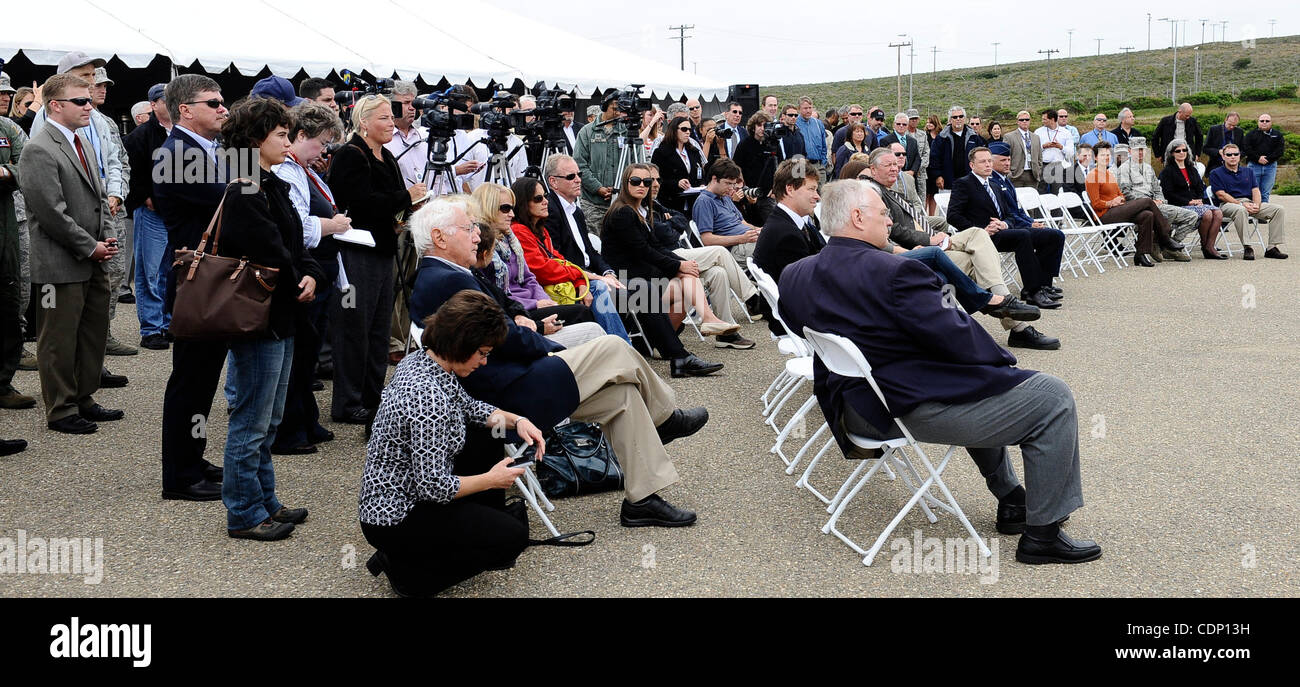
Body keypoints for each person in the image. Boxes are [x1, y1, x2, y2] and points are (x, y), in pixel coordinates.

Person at [776, 180, 1101, 565]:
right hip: (902, 409)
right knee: (1050, 396)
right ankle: (1043, 535)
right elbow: (960, 338)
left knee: (979, 382)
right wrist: (1003, 359)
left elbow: (802, 329)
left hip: (851, 407)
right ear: (858, 217)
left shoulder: (795, 274)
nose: (888, 222)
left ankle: (1013, 499)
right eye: (883, 214)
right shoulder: (897, 272)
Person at [408, 199, 707, 525]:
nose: (477, 236)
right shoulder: (444, 280)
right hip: (504, 394)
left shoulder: (451, 273)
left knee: (623, 397)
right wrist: (546, 344)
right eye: (468, 229)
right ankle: (664, 418)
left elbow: (508, 311)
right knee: (612, 348)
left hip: (515, 378)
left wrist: (524, 322)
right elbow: (503, 337)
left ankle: (642, 499)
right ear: (439, 237)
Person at [360, 290, 539, 597]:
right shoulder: (429, 401)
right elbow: (435, 487)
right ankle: (409, 574)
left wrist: (517, 420)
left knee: (489, 430)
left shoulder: (422, 360)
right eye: (482, 353)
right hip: (397, 516)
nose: (484, 362)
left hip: (400, 496)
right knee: (512, 538)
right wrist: (491, 480)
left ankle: (438, 544)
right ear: (461, 343)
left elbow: (470, 407)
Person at [213, 98, 322, 540]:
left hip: (282, 313)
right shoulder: (245, 190)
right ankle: (243, 511)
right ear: (256, 139)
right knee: (252, 420)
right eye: (280, 134)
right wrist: (302, 278)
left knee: (269, 418)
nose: (287, 140)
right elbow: (268, 250)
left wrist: (310, 273)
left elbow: (293, 241)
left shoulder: (269, 183)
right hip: (261, 317)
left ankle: (265, 500)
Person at [17, 72, 121, 435]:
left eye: (90, 99)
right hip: (61, 263)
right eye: (81, 100)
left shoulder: (83, 142)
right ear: (55, 105)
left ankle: (83, 396)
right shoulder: (38, 149)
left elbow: (98, 198)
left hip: (92, 257)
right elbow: (50, 213)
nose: (89, 106)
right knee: (59, 339)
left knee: (92, 332)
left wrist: (106, 239)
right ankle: (61, 409)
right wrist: (90, 246)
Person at [860, 149, 1049, 342]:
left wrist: (935, 231)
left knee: (978, 240)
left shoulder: (890, 190)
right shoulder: (873, 193)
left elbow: (912, 221)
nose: (895, 168)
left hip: (929, 240)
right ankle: (1013, 319)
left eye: (896, 164)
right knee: (978, 246)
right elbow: (892, 230)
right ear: (873, 170)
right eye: (888, 165)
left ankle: (1006, 312)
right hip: (916, 250)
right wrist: (927, 241)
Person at [153, 74, 229, 500]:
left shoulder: (205, 148)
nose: (223, 108)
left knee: (202, 380)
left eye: (222, 101)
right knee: (190, 380)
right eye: (213, 103)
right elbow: (234, 197)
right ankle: (180, 475)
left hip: (209, 278)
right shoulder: (178, 154)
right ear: (186, 110)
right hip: (194, 280)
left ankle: (193, 456)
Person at [327, 94, 425, 426]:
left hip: (383, 248)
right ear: (364, 122)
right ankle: (348, 401)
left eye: (390, 117)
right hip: (357, 251)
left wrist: (406, 210)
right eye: (383, 117)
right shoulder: (349, 155)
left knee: (379, 329)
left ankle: (372, 394)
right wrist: (404, 198)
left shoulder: (388, 157)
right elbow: (358, 202)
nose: (389, 123)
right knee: (355, 327)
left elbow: (390, 201)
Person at [270, 102, 351, 454]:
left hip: (318, 266)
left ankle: (306, 419)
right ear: (301, 136)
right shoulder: (287, 172)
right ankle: (291, 427)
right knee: (300, 353)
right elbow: (295, 224)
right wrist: (331, 225)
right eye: (320, 142)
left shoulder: (303, 169)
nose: (324, 151)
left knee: (308, 351)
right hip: (304, 269)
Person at [601, 163, 743, 342]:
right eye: (636, 181)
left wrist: (681, 263)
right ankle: (749, 301)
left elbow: (669, 232)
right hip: (629, 280)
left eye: (648, 181)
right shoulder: (622, 213)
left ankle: (671, 340)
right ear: (625, 183)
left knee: (711, 273)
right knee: (704, 265)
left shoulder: (643, 209)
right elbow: (645, 251)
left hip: (648, 271)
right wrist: (679, 265)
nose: (645, 185)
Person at [644, 166, 759, 349]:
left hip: (677, 252)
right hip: (667, 258)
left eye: (658, 180)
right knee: (719, 252)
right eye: (650, 181)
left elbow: (680, 219)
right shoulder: (638, 209)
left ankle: (726, 334)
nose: (656, 185)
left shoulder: (655, 205)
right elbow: (666, 235)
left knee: (718, 273)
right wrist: (670, 225)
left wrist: (670, 222)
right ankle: (753, 299)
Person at [948, 146, 1068, 309]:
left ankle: (1043, 285)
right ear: (972, 165)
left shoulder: (995, 185)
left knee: (1054, 235)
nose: (988, 165)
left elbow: (1010, 214)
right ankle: (1033, 291)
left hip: (1003, 230)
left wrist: (1004, 224)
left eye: (989, 161)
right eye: (983, 162)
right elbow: (953, 216)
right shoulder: (963, 184)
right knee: (1022, 236)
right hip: (982, 237)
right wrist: (979, 230)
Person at [510, 176, 628, 339]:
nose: (545, 201)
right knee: (599, 287)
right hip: (542, 293)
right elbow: (543, 270)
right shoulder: (519, 231)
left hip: (562, 284)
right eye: (538, 199)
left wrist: (581, 282)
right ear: (524, 203)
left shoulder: (540, 230)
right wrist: (584, 275)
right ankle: (620, 345)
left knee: (600, 287)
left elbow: (561, 260)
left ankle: (619, 345)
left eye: (545, 196)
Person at [539, 154, 631, 342]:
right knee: (604, 288)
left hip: (589, 273)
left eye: (579, 174)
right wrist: (584, 281)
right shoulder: (549, 212)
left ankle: (652, 345)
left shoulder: (576, 212)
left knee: (639, 287)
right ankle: (623, 346)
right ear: (553, 182)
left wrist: (607, 271)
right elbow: (556, 258)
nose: (579, 180)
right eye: (571, 176)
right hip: (572, 279)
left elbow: (590, 252)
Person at [124, 83, 172, 351]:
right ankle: (151, 328)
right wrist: (145, 197)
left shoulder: (182, 132)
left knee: (169, 271)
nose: (173, 103)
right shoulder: (140, 135)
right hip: (152, 213)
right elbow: (131, 170)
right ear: (153, 104)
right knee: (148, 272)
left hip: (175, 213)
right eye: (166, 99)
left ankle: (166, 322)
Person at [1086, 142, 1183, 267]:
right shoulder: (1092, 176)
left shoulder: (1109, 174)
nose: (1106, 157)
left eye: (1108, 155)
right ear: (1095, 158)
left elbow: (1120, 193)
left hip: (1117, 209)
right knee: (1147, 201)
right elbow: (1095, 204)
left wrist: (1119, 199)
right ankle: (1165, 236)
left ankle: (1140, 255)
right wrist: (1110, 202)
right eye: (1102, 155)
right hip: (1104, 215)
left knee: (1147, 215)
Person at [0, 96, 33, 412]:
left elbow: (26, 164)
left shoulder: (7, 128)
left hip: (7, 227)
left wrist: (5, 172)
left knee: (10, 308)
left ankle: (3, 384)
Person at [1114, 136, 1197, 253]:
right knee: (1170, 214)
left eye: (1143, 149)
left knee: (1192, 216)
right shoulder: (1124, 169)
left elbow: (1158, 189)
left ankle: (1167, 245)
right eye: (1137, 150)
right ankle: (1161, 242)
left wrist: (1160, 200)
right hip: (1138, 207)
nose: (1141, 152)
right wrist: (1150, 202)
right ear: (1129, 151)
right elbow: (1125, 193)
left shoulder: (1148, 168)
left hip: (1157, 205)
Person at [1208, 143, 1288, 260]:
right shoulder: (1215, 173)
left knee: (1278, 209)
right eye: (1229, 154)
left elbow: (1255, 190)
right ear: (1223, 156)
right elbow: (1221, 195)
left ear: (1240, 156)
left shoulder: (1248, 171)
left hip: (1249, 203)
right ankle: (1247, 247)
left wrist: (1256, 205)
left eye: (1236, 154)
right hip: (1228, 205)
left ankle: (1272, 248)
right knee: (1240, 210)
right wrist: (1240, 204)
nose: (1232, 157)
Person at [1157, 138, 1226, 260]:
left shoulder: (1192, 169)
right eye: (1178, 151)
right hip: (1179, 205)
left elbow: (1200, 188)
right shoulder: (1167, 171)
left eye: (1184, 150)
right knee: (1208, 213)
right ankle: (1205, 247)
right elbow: (1168, 193)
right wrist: (1188, 201)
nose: (1182, 153)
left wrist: (1199, 199)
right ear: (1172, 153)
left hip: (1196, 203)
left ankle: (1209, 247)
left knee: (1218, 213)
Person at [573, 92, 624, 230]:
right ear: (604, 107)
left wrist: (621, 188)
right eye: (615, 109)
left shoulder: (626, 132)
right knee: (595, 243)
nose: (619, 113)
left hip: (622, 203)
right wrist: (597, 188)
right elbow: (579, 164)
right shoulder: (587, 132)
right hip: (593, 204)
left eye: (621, 109)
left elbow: (635, 165)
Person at [651, 115, 705, 213]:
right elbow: (658, 179)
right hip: (671, 202)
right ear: (674, 130)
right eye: (684, 129)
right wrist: (677, 183)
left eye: (689, 129)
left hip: (694, 202)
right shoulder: (661, 152)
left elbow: (700, 173)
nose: (688, 132)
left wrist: (702, 184)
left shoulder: (694, 151)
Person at [928, 105, 979, 193]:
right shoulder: (941, 137)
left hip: (970, 182)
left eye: (961, 116)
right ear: (950, 120)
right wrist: (938, 176)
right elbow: (934, 158)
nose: (958, 119)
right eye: (955, 117)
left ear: (965, 119)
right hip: (947, 183)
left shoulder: (974, 137)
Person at [732, 112, 777, 198]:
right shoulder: (744, 144)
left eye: (765, 126)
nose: (762, 129)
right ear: (753, 127)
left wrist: (776, 188)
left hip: (769, 193)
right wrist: (744, 187)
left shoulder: (773, 144)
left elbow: (780, 166)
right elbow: (736, 167)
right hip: (750, 192)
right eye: (759, 125)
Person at [1244, 113, 1284, 203]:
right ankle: (1253, 213)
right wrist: (1258, 158)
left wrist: (1268, 159)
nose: (1264, 123)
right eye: (1262, 121)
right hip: (1253, 166)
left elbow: (1279, 150)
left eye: (1267, 121)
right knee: (1253, 191)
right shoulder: (1250, 134)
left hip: (1270, 167)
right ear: (1258, 122)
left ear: (1271, 122)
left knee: (1265, 193)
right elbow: (1247, 148)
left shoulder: (1278, 135)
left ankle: (1263, 215)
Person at [1035, 108, 1075, 193]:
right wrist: (1043, 146)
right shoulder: (1038, 132)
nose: (1042, 121)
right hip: (1043, 166)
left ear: (1052, 119)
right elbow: (1033, 151)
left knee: (1058, 192)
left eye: (1044, 119)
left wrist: (1061, 147)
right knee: (1041, 192)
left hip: (1059, 166)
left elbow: (1071, 152)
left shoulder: (1066, 133)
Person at [1003, 110, 1043, 189]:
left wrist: (1038, 170)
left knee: (1031, 199)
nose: (1024, 121)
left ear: (1030, 121)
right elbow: (1005, 156)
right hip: (1016, 175)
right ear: (1017, 122)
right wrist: (1009, 173)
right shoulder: (1009, 137)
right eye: (1021, 120)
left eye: (1027, 119)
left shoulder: (1036, 137)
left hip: (1033, 175)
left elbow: (1040, 156)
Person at [794, 96, 828, 183]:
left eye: (810, 108)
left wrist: (823, 162)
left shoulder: (818, 123)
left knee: (822, 193)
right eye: (805, 108)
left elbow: (824, 144)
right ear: (799, 109)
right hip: (802, 165)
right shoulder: (795, 124)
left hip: (818, 165)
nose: (808, 111)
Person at [880, 113, 921, 181]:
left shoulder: (913, 141)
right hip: (894, 177)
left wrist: (912, 171)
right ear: (894, 124)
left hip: (911, 177)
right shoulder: (885, 140)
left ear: (907, 126)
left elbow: (917, 158)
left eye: (904, 124)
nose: (901, 126)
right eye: (898, 124)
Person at [922, 113, 942, 213]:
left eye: (930, 122)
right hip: (926, 168)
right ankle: (926, 216)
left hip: (936, 168)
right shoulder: (925, 135)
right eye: (927, 122)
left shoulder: (941, 136)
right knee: (926, 193)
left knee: (934, 194)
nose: (928, 124)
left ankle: (933, 215)